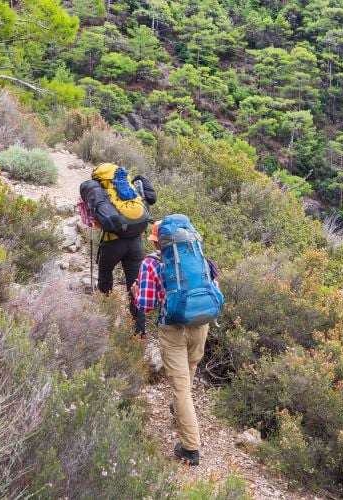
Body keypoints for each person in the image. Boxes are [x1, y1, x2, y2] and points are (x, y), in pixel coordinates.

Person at [135, 219, 221, 466]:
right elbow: (215, 289)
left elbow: (147, 305)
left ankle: (190, 448)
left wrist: (135, 293)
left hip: (173, 329)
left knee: (180, 388)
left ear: (158, 242)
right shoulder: (197, 257)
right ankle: (180, 410)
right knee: (190, 369)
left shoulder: (151, 264)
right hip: (201, 324)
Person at [81, 163, 155, 334]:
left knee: (105, 278)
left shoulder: (102, 190)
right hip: (135, 242)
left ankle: (103, 323)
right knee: (135, 286)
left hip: (113, 242)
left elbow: (99, 221)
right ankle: (139, 333)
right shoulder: (127, 186)